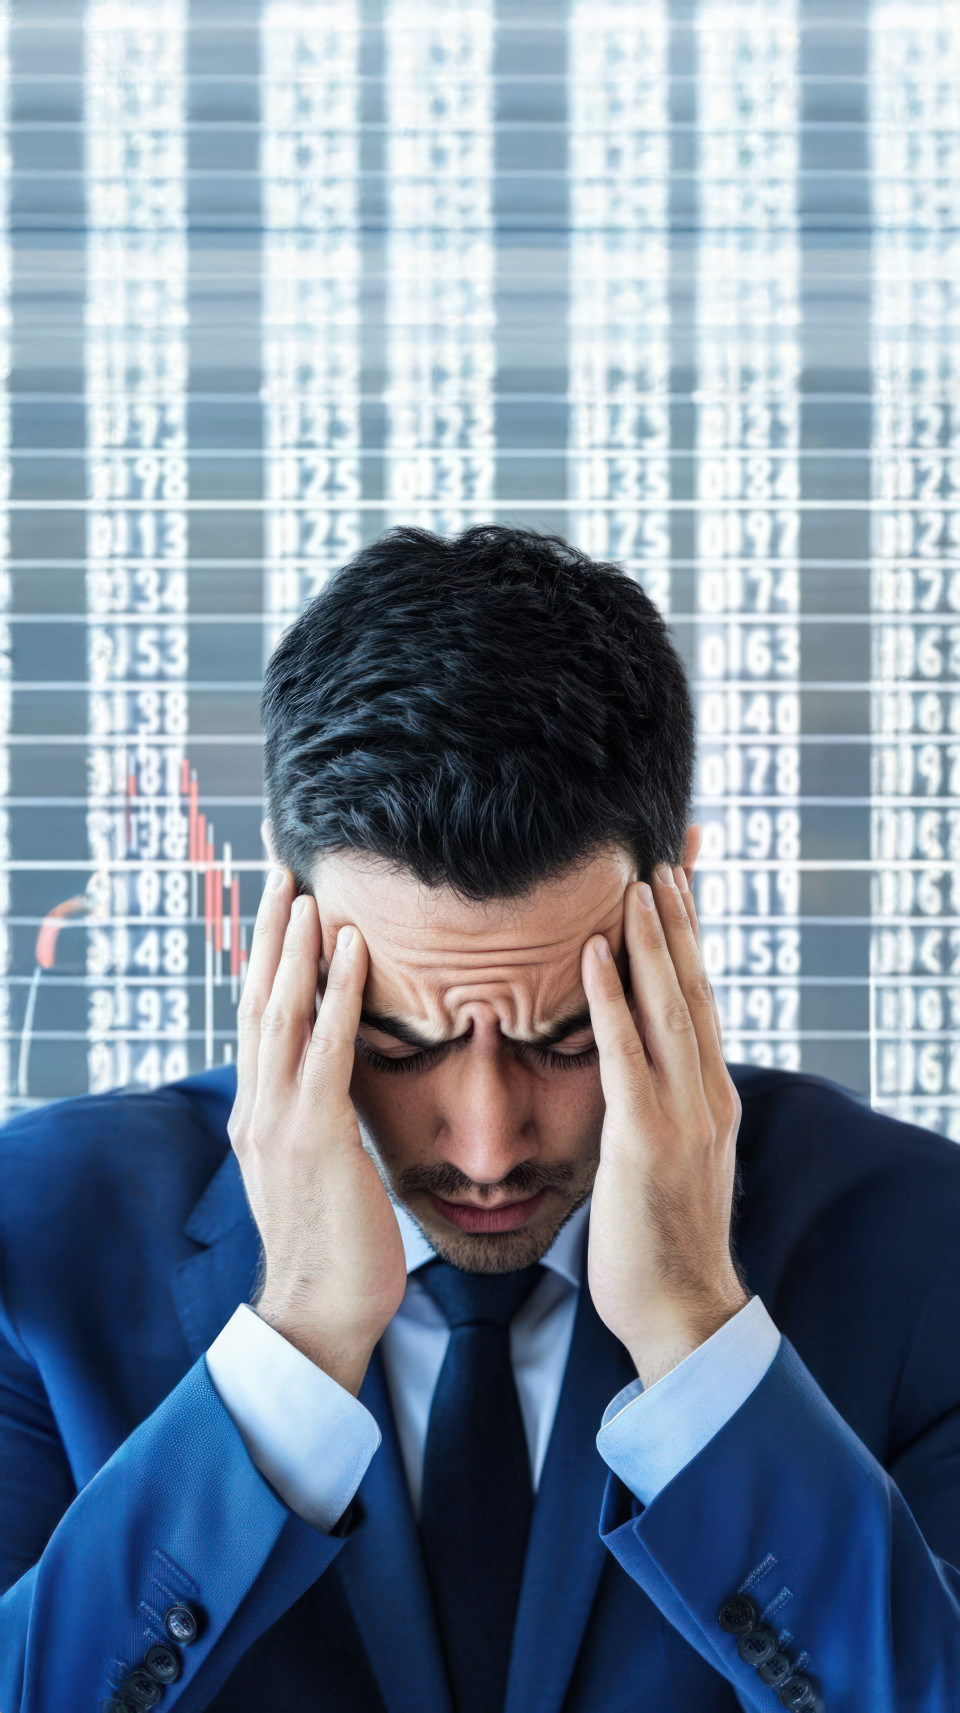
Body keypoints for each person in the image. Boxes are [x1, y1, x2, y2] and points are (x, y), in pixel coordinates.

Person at [1, 525, 959, 1713]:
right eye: (400, 1043)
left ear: (678, 913)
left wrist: (701, 1339)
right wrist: (293, 1342)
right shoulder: (30, 1244)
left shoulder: (930, 1250)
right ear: (282, 930)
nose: (487, 1144)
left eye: (565, 1039)